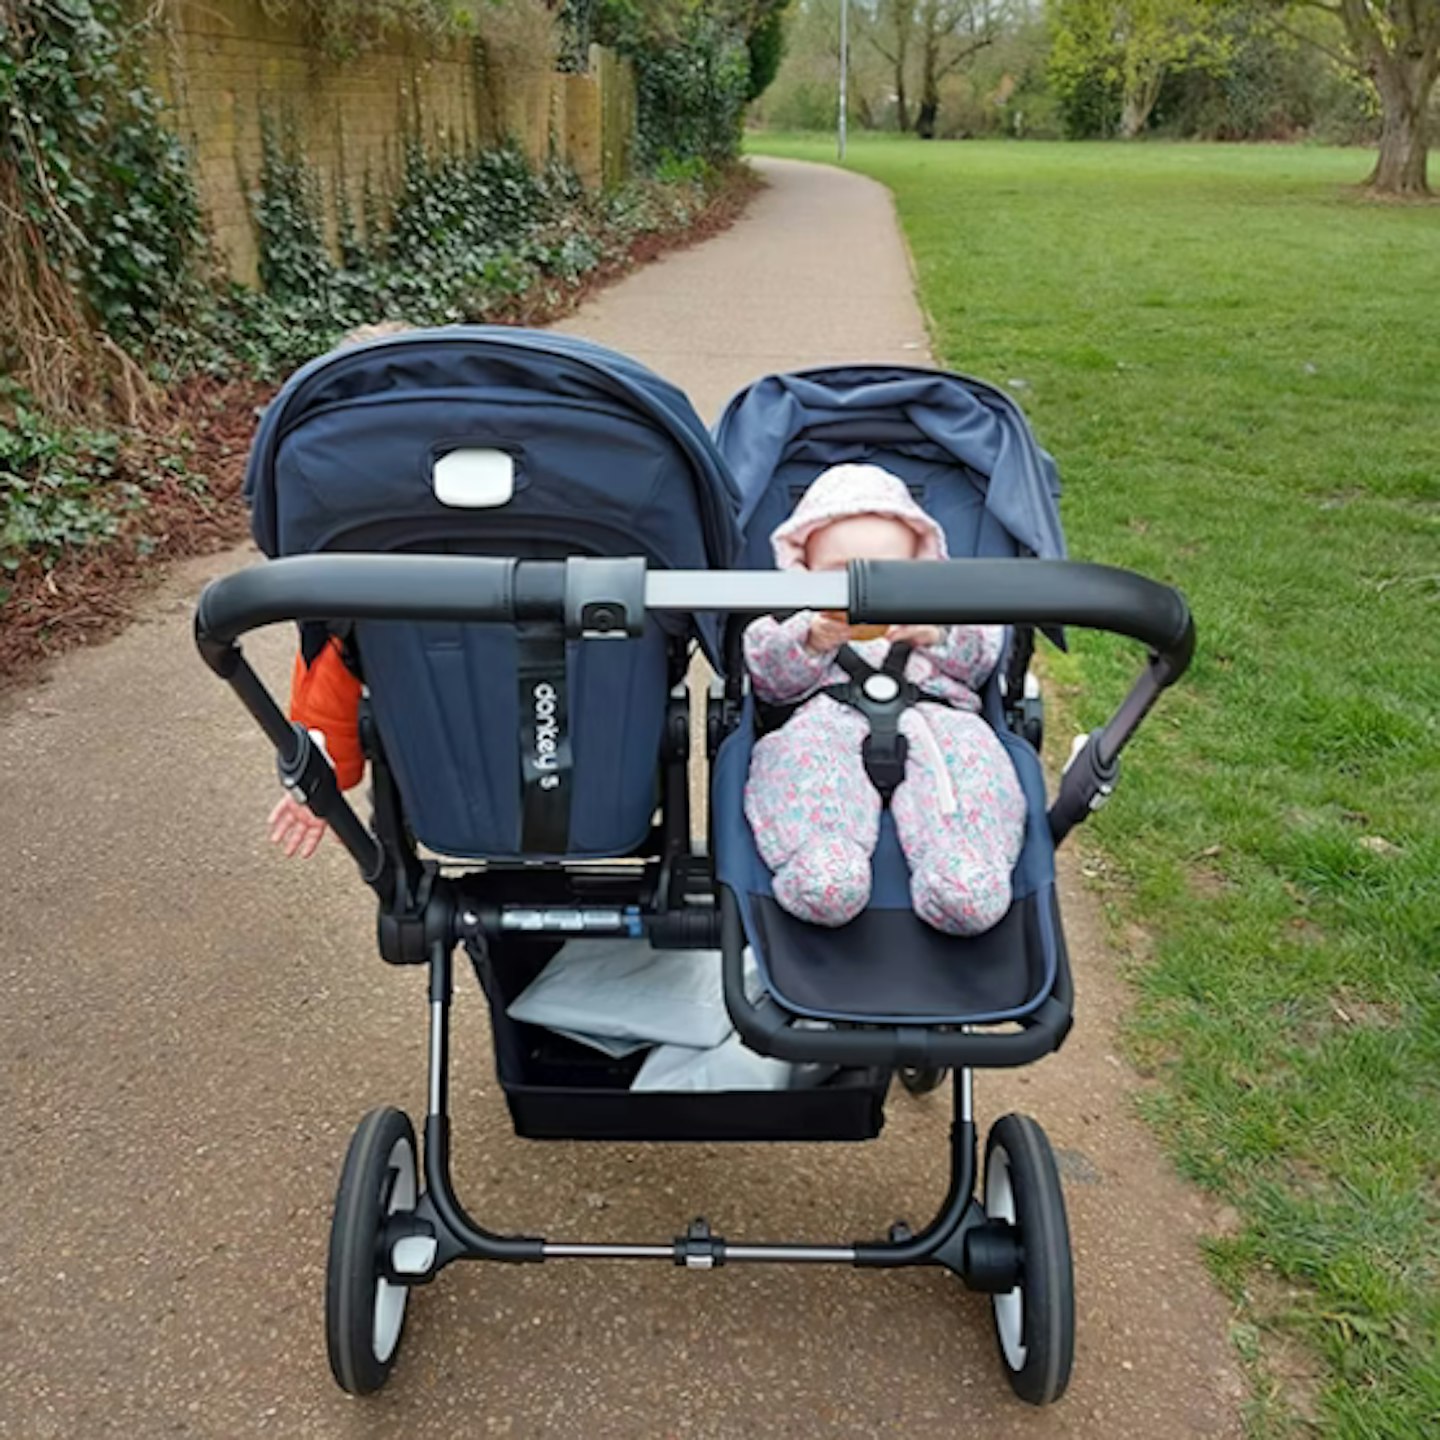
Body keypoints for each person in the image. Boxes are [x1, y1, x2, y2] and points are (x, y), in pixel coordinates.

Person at [742, 463, 1027, 936]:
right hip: (827, 719)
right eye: (839, 573)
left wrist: (937, 635)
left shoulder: (948, 614)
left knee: (970, 769)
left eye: (889, 572)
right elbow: (769, 680)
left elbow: (980, 662)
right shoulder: (793, 619)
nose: (865, 588)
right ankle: (822, 865)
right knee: (803, 763)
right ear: (804, 571)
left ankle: (965, 871)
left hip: (938, 719)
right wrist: (810, 639)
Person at [267, 321, 411, 858]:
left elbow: (329, 684)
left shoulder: (347, 560)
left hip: (430, 778)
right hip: (568, 758)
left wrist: (322, 776)